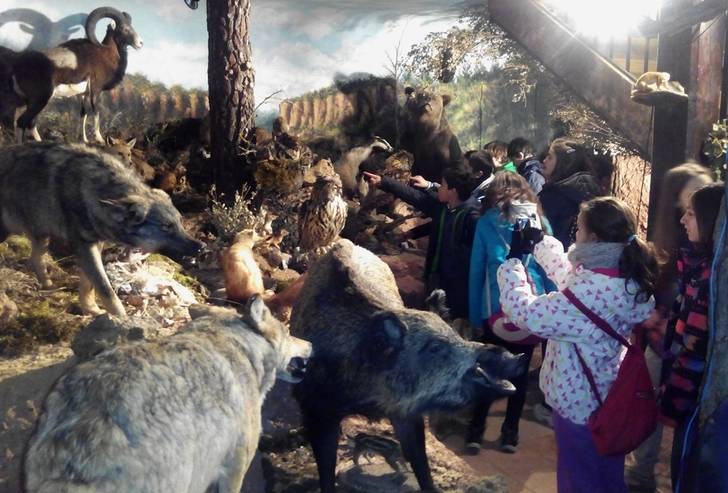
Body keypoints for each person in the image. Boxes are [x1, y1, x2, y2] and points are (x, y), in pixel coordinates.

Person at [497, 196, 658, 493]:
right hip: (609, 397)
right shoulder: (622, 277)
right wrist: (541, 242)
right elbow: (571, 281)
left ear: (593, 239)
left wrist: (513, 261)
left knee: (578, 480)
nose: (575, 235)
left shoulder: (587, 294)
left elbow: (525, 313)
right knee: (607, 476)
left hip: (578, 404)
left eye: (579, 230)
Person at [625, 163, 713, 492]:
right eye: (690, 197)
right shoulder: (673, 249)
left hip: (684, 353)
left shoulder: (706, 261)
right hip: (662, 344)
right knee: (650, 409)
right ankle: (640, 473)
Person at [465, 172, 555, 454]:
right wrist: (552, 312)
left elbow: (477, 272)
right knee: (517, 369)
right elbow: (549, 271)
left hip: (495, 309)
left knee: (489, 370)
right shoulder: (541, 222)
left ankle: (479, 430)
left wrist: (474, 315)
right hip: (529, 308)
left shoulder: (486, 224)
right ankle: (507, 433)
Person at [660, 182, 725, 490]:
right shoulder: (697, 266)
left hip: (696, 405)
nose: (683, 220)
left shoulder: (712, 282)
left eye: (691, 214)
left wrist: (674, 402)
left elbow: (695, 348)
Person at [363, 166, 478, 319]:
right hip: (435, 273)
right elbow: (414, 197)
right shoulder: (445, 207)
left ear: (453, 191)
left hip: (457, 285)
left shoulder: (472, 216)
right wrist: (384, 182)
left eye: (442, 185)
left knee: (451, 319)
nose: (439, 188)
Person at [538, 138, 601, 249]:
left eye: (550, 157)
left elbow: (542, 235)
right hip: (584, 258)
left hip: (553, 259)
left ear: (564, 162)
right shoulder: (594, 190)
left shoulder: (553, 196)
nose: (544, 160)